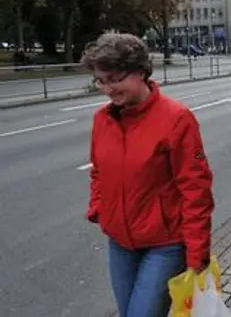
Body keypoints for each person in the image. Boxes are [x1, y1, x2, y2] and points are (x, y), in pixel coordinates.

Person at [81, 33, 214, 317]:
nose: (107, 89)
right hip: (120, 244)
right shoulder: (102, 120)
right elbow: (98, 172)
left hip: (164, 246)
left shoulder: (177, 119)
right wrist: (99, 208)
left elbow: (196, 190)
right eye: (100, 81)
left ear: (140, 72)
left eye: (115, 78)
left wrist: (196, 255)